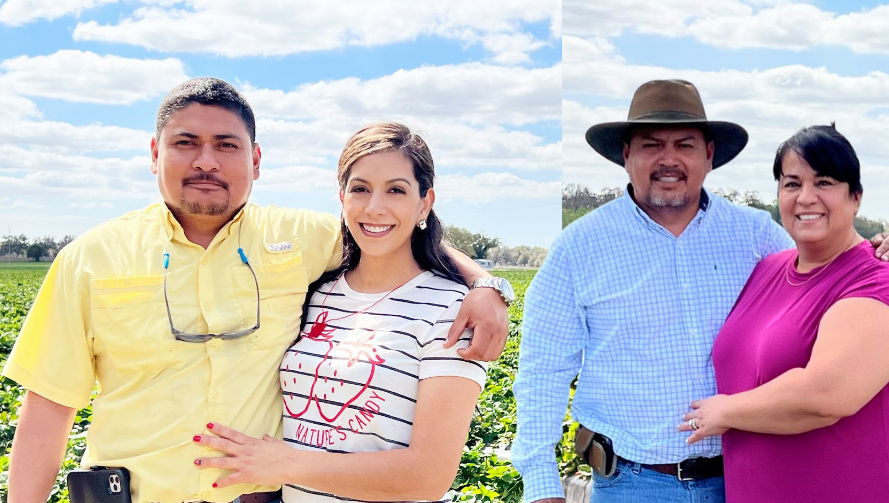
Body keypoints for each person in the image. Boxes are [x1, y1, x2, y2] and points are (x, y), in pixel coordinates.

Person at [3, 78, 512, 503]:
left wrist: (486, 284)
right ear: (155, 153)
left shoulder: (301, 239)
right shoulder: (89, 260)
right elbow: (48, 409)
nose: (207, 161)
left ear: (256, 159)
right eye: (185, 143)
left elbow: (391, 234)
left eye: (227, 145)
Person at [511, 80, 889, 503]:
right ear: (626, 155)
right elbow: (542, 371)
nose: (669, 159)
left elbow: (827, 265)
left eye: (685, 145)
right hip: (633, 484)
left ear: (709, 156)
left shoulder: (756, 236)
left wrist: (877, 250)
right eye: (651, 145)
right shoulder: (579, 248)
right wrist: (541, 485)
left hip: (749, 479)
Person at [191, 122, 487, 502]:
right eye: (360, 189)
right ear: (342, 196)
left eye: (396, 190)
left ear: (424, 202)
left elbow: (428, 476)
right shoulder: (316, 289)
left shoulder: (451, 309)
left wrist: (286, 465)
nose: (374, 207)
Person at [680, 125, 889, 502]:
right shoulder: (767, 269)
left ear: (855, 197)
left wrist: (726, 411)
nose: (806, 198)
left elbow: (827, 394)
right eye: (792, 184)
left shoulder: (880, 281)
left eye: (824, 182)